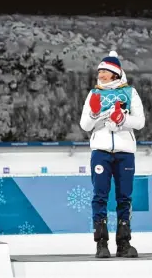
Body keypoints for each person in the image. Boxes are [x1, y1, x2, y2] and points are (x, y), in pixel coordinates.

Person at [79, 51, 145, 258]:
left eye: (105, 71)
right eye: (99, 70)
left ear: (115, 73)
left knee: (124, 198)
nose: (100, 74)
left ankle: (124, 243)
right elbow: (85, 125)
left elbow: (140, 122)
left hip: (125, 153)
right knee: (100, 197)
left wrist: (122, 119)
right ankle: (101, 244)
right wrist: (95, 113)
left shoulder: (130, 93)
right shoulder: (94, 94)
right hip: (101, 152)